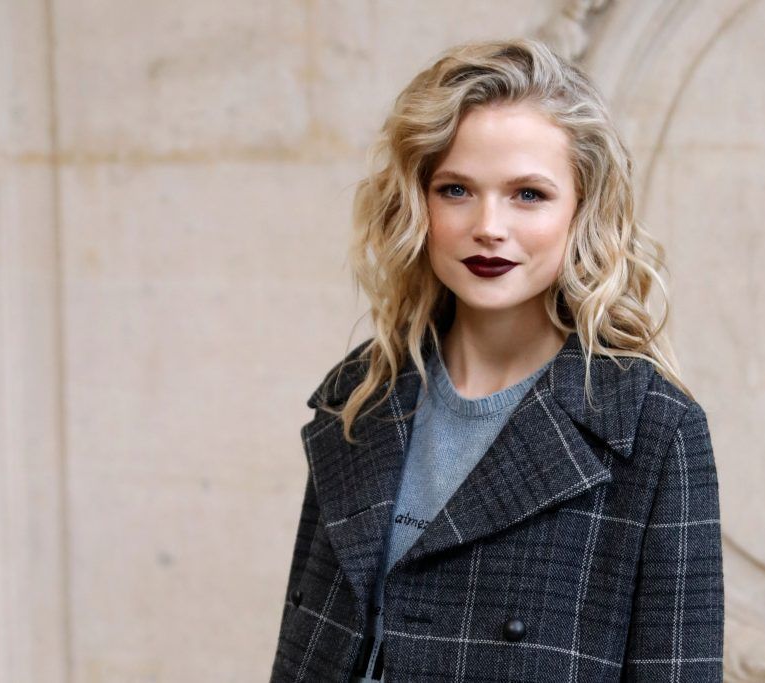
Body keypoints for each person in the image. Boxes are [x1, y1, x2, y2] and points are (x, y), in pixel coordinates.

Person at [270, 37, 724, 683]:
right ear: (418, 203)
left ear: (583, 208)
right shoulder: (362, 392)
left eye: (528, 194)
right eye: (456, 189)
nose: (488, 225)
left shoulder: (648, 426)